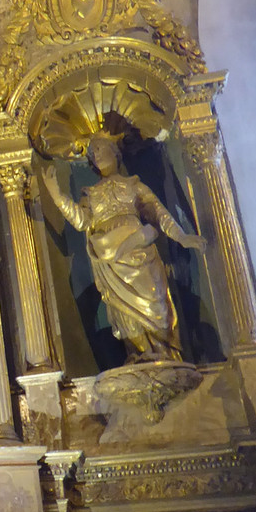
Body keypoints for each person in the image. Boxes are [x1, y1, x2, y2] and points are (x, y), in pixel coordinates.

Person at [41, 136, 207, 362]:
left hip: (142, 254)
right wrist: (57, 195)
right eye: (91, 152)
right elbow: (81, 221)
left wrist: (182, 237)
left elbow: (159, 214)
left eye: (99, 148)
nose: (95, 154)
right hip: (112, 261)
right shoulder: (89, 194)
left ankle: (165, 355)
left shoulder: (134, 186)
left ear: (115, 152)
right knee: (124, 312)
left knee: (157, 303)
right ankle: (140, 353)